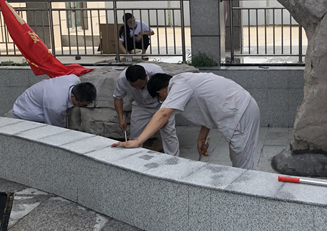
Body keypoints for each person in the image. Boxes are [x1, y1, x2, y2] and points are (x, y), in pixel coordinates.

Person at [111, 72, 260, 170]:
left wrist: (138, 141)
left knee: (243, 166)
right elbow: (206, 105)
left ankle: (255, 198)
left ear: (161, 92)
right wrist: (202, 136)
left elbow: (164, 113)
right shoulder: (184, 80)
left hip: (240, 112)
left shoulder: (179, 86)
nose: (163, 101)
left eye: (161, 99)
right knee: (242, 160)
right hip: (242, 108)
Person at [113, 64, 180, 155]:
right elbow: (117, 98)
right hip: (140, 105)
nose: (137, 88)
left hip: (161, 103)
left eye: (140, 85)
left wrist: (165, 117)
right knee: (135, 135)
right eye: (134, 86)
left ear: (146, 76)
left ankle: (173, 158)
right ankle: (133, 157)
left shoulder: (157, 73)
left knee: (168, 132)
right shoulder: (122, 79)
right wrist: (121, 118)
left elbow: (168, 93)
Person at [12, 75, 97, 127]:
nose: (83, 107)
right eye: (82, 105)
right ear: (73, 96)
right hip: (24, 110)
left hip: (39, 98)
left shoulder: (74, 79)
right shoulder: (56, 107)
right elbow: (54, 128)